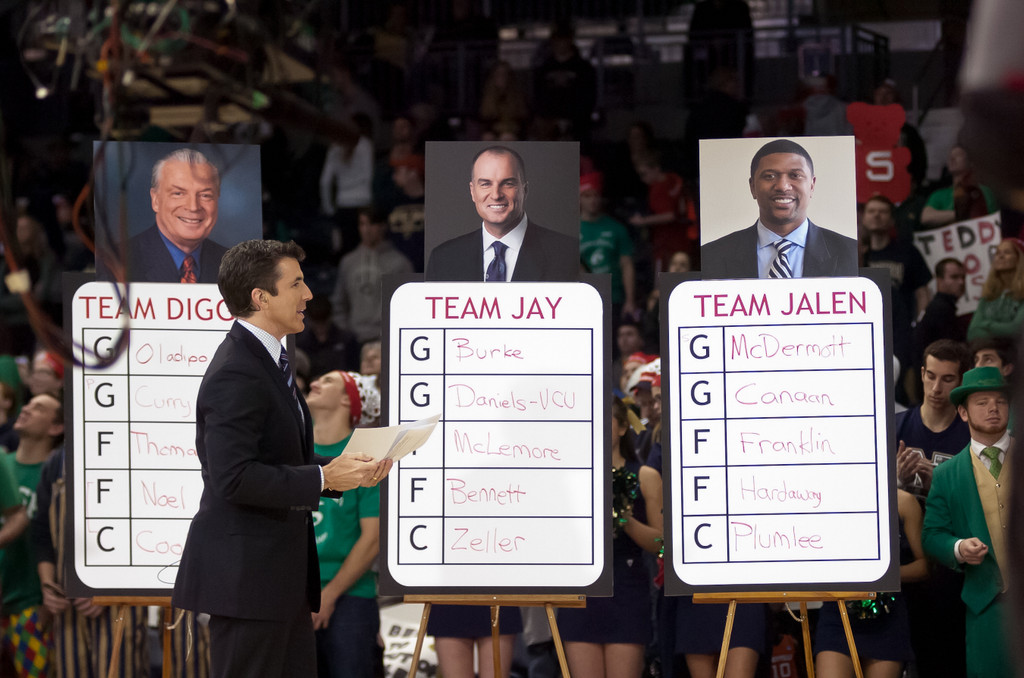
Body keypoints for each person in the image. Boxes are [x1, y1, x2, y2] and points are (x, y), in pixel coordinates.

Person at [171, 239, 392, 678]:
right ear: (261, 297)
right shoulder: (237, 369)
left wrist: (345, 471)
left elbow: (280, 457)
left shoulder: (268, 360)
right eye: (296, 284)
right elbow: (233, 477)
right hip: (249, 582)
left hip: (279, 581)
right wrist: (322, 477)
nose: (309, 294)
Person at [922, 366, 1015, 678]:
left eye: (1000, 401)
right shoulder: (947, 474)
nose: (993, 408)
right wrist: (959, 547)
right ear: (962, 412)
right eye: (982, 402)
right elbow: (932, 535)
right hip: (986, 604)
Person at [558, 397, 659, 678]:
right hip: (581, 588)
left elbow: (662, 545)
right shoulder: (570, 477)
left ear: (623, 427)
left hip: (626, 586)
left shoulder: (645, 476)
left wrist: (624, 519)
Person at [32, 445, 152, 677]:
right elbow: (41, 532)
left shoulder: (135, 453)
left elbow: (145, 533)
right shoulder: (57, 461)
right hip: (68, 605)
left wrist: (109, 588)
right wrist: (48, 586)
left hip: (121, 602)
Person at [893, 339, 971, 678]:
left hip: (952, 571)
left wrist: (937, 485)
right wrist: (896, 483)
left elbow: (982, 508)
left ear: (961, 381)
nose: (937, 388)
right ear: (922, 374)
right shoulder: (896, 426)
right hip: (904, 566)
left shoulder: (970, 436)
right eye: (931, 376)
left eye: (947, 379)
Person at [307, 370, 383, 678]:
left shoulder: (364, 458)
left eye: (327, 381)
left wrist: (329, 595)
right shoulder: (292, 451)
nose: (314, 383)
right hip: (294, 594)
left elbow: (372, 539)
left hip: (351, 594)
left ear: (347, 399)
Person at [701, 138, 859, 279]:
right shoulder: (711, 256)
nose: (782, 186)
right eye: (770, 176)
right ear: (752, 186)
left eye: (795, 175)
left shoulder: (852, 253)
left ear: (812, 186)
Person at [814, 488, 927, 678]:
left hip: (887, 619)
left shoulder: (904, 501)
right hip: (838, 615)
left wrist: (880, 575)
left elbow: (925, 567)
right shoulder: (826, 499)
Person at [425, 146, 579, 282]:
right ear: (472, 191)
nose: (496, 195)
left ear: (524, 190)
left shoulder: (568, 255)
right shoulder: (443, 258)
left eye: (508, 184)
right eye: (485, 184)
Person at [0, 393, 64, 677]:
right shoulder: (3, 463)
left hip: (31, 603)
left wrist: (47, 604)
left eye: (38, 408)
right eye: (27, 404)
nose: (25, 408)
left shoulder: (55, 476)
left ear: (56, 427)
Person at [102, 148, 228, 283]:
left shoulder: (235, 265)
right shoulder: (112, 263)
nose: (193, 207)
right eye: (178, 193)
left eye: (205, 195)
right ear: (155, 200)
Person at [860, 195, 933, 401]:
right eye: (871, 211)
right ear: (863, 218)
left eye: (882, 211)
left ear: (892, 219)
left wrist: (918, 323)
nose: (877, 215)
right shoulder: (858, 253)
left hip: (900, 328)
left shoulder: (907, 251)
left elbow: (922, 292)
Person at [330, 206, 414, 343]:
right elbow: (339, 302)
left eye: (372, 224)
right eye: (362, 224)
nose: (367, 230)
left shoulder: (400, 263)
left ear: (383, 226)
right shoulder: (348, 262)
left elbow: (408, 306)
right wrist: (345, 332)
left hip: (386, 339)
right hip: (354, 339)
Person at [580, 172, 637, 322]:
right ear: (579, 199)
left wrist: (630, 300)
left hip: (614, 296)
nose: (592, 200)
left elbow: (627, 265)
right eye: (587, 196)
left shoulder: (616, 228)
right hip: (584, 298)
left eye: (595, 195)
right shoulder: (572, 231)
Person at [920, 145, 1000, 228]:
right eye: (950, 156)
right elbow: (926, 217)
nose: (952, 158)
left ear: (970, 162)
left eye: (958, 155)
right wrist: (961, 215)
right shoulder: (939, 195)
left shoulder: (983, 191)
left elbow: (992, 220)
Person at [912, 258, 967, 368]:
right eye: (954, 277)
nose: (961, 282)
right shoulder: (940, 309)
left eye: (963, 277)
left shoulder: (939, 306)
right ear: (939, 280)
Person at [966, 237, 1024, 341]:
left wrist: (986, 324)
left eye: (1007, 252)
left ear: (1019, 258)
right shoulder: (989, 294)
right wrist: (1000, 330)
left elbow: (1016, 331)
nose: (1000, 256)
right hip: (988, 349)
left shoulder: (1022, 293)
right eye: (997, 253)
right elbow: (972, 333)